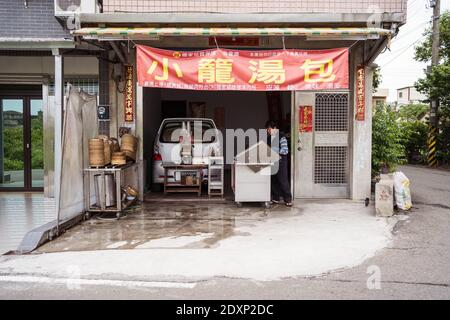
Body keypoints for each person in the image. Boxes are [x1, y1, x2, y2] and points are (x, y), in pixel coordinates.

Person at [265, 120, 293, 207]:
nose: (268, 131)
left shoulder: (282, 137)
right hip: (272, 162)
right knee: (273, 181)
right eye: (267, 130)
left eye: (269, 129)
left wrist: (274, 152)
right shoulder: (269, 138)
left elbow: (285, 151)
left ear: (274, 128)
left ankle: (288, 199)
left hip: (281, 162)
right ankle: (275, 198)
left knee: (283, 181)